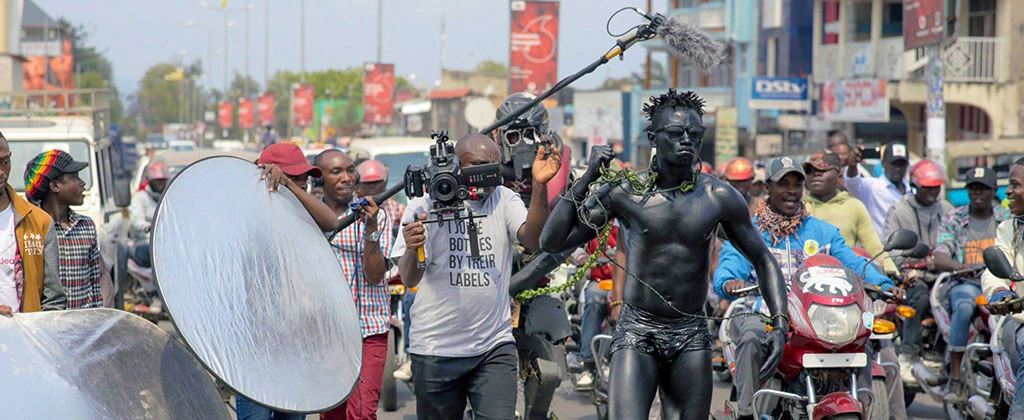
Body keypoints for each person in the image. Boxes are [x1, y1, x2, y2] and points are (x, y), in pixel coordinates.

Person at [540, 89, 788, 420]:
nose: (686, 140)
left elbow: (763, 259)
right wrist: (586, 180)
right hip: (637, 330)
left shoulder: (720, 197)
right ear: (654, 137)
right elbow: (552, 241)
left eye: (695, 133)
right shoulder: (625, 191)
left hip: (690, 334)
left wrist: (780, 322)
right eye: (675, 133)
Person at [715, 156, 904, 420]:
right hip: (765, 312)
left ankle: (864, 398)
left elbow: (854, 262)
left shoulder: (822, 231)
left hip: (816, 317)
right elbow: (730, 263)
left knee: (863, 336)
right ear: (768, 188)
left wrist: (884, 283)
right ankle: (747, 412)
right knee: (750, 337)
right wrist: (729, 281)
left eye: (796, 184)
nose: (791, 191)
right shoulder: (751, 231)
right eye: (783, 184)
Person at [392, 134, 561, 419]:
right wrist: (412, 248)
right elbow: (410, 279)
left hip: (493, 346)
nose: (488, 177)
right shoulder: (422, 205)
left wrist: (540, 186)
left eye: (494, 169)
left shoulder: (504, 198)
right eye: (479, 166)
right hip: (436, 350)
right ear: (454, 165)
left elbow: (532, 238)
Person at [235, 144, 340, 420]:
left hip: (298, 347)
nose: (302, 183)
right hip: (256, 349)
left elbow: (331, 221)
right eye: (294, 177)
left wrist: (293, 189)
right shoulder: (245, 213)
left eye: (303, 178)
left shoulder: (302, 212)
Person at [314, 149, 393, 420]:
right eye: (336, 172)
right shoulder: (309, 219)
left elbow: (374, 276)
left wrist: (370, 228)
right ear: (319, 179)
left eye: (350, 170)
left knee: (362, 414)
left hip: (368, 332)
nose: (347, 178)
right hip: (328, 336)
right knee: (332, 415)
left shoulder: (375, 215)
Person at [933, 166, 1009, 402]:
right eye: (973, 188)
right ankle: (954, 375)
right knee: (964, 306)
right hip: (966, 283)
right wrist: (959, 267)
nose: (978, 193)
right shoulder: (954, 217)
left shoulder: (1006, 219)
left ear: (994, 190)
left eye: (984, 188)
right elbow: (941, 254)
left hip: (1001, 283)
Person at [884, 158, 953, 382]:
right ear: (915, 185)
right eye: (927, 187)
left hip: (944, 276)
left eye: (935, 187)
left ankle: (942, 353)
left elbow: (956, 240)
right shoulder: (899, 210)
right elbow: (890, 248)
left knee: (958, 301)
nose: (932, 191)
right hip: (914, 275)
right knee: (920, 298)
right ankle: (908, 354)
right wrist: (907, 264)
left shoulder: (947, 209)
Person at [24, 150, 113, 309]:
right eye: (75, 177)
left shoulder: (85, 226)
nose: (82, 183)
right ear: (55, 186)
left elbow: (99, 275)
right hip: (46, 326)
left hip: (83, 326)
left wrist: (102, 315)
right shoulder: (31, 229)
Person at [0, 133, 65, 316]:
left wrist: (41, 336)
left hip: (25, 341)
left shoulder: (39, 222)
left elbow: (54, 299)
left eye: (5, 162)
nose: (1, 172)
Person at [803, 150, 898, 274]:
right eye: (810, 171)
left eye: (822, 170)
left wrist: (893, 274)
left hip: (846, 281)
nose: (815, 174)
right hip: (805, 281)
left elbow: (874, 248)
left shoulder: (854, 206)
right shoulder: (799, 207)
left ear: (839, 176)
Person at [981, 157, 1024, 419]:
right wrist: (1000, 291)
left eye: (1015, 185)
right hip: (1021, 321)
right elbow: (995, 268)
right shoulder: (1009, 228)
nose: (1007, 191)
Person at [574, 221, 619, 389]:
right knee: (593, 299)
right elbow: (576, 245)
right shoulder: (594, 218)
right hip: (600, 282)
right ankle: (588, 365)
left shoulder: (630, 215)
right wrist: (583, 258)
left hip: (627, 284)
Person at [845, 142, 911, 239]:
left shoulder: (912, 191)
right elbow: (852, 182)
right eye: (893, 164)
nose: (897, 168)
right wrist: (852, 165)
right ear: (883, 164)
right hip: (880, 249)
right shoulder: (872, 187)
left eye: (901, 164)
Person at [356, 159, 404, 237]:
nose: (372, 186)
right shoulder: (353, 208)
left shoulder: (398, 210)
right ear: (359, 184)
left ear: (385, 182)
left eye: (376, 182)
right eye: (367, 183)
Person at [129, 161, 170, 242]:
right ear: (150, 181)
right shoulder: (140, 197)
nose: (160, 183)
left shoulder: (169, 198)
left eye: (163, 180)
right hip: (145, 239)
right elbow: (137, 221)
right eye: (157, 180)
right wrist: (151, 227)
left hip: (167, 240)